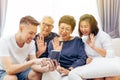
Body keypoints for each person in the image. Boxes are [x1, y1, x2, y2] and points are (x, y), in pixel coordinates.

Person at [0, 16, 57, 80]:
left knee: (36, 74)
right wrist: (33, 62)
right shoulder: (5, 41)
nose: (33, 37)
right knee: (12, 78)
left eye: (34, 34)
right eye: (31, 33)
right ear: (21, 28)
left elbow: (34, 65)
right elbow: (9, 70)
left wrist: (46, 68)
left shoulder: (31, 43)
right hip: (4, 71)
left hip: (21, 71)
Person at [68, 14, 120, 80]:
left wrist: (94, 47)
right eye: (81, 26)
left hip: (107, 62)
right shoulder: (84, 40)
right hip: (94, 64)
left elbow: (111, 54)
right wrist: (86, 60)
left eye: (86, 26)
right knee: (96, 77)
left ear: (92, 26)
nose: (83, 29)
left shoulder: (103, 36)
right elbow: (84, 56)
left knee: (109, 77)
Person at [44, 15, 87, 80]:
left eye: (67, 29)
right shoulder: (53, 42)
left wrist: (70, 70)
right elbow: (51, 61)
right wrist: (56, 53)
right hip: (58, 70)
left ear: (72, 31)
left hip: (74, 70)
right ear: (58, 28)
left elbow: (82, 58)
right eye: (62, 28)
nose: (64, 31)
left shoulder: (77, 41)